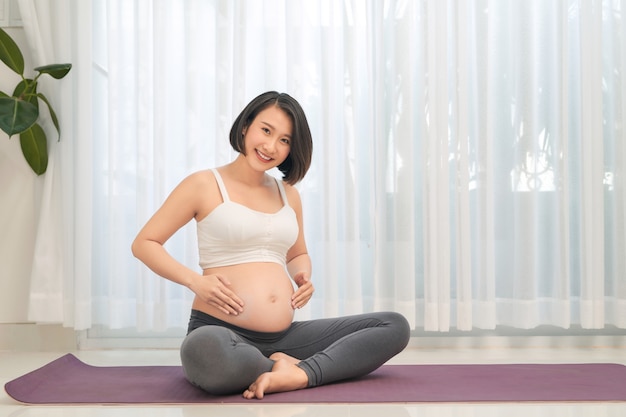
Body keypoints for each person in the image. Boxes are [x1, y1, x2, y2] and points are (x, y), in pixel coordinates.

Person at [131, 91, 410, 399]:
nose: (271, 146)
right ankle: (284, 366)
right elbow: (145, 243)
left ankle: (299, 373)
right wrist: (196, 282)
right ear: (245, 127)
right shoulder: (203, 184)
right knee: (204, 352)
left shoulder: (288, 194)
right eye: (266, 130)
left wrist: (302, 275)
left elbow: (297, 253)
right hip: (220, 332)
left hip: (286, 335)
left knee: (393, 325)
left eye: (285, 140)